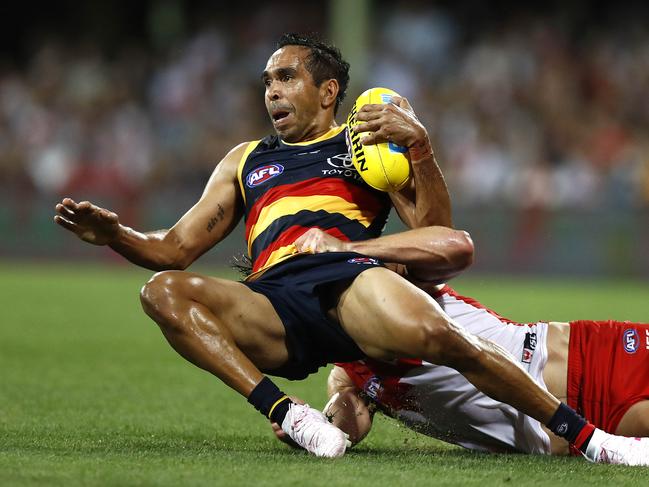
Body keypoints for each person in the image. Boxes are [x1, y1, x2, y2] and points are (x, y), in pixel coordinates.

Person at [52, 33, 648, 464]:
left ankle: (591, 440)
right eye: (267, 82)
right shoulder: (245, 161)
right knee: (160, 293)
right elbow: (175, 249)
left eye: (286, 78)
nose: (272, 93)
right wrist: (119, 237)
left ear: (328, 89)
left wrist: (419, 152)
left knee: (436, 334)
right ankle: (288, 414)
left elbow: (442, 241)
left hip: (349, 279)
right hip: (277, 298)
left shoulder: (365, 144)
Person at [273, 228, 649, 464]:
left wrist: (347, 246)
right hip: (565, 435)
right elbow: (349, 423)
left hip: (591, 357)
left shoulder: (395, 284)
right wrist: (314, 430)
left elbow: (455, 244)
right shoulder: (349, 375)